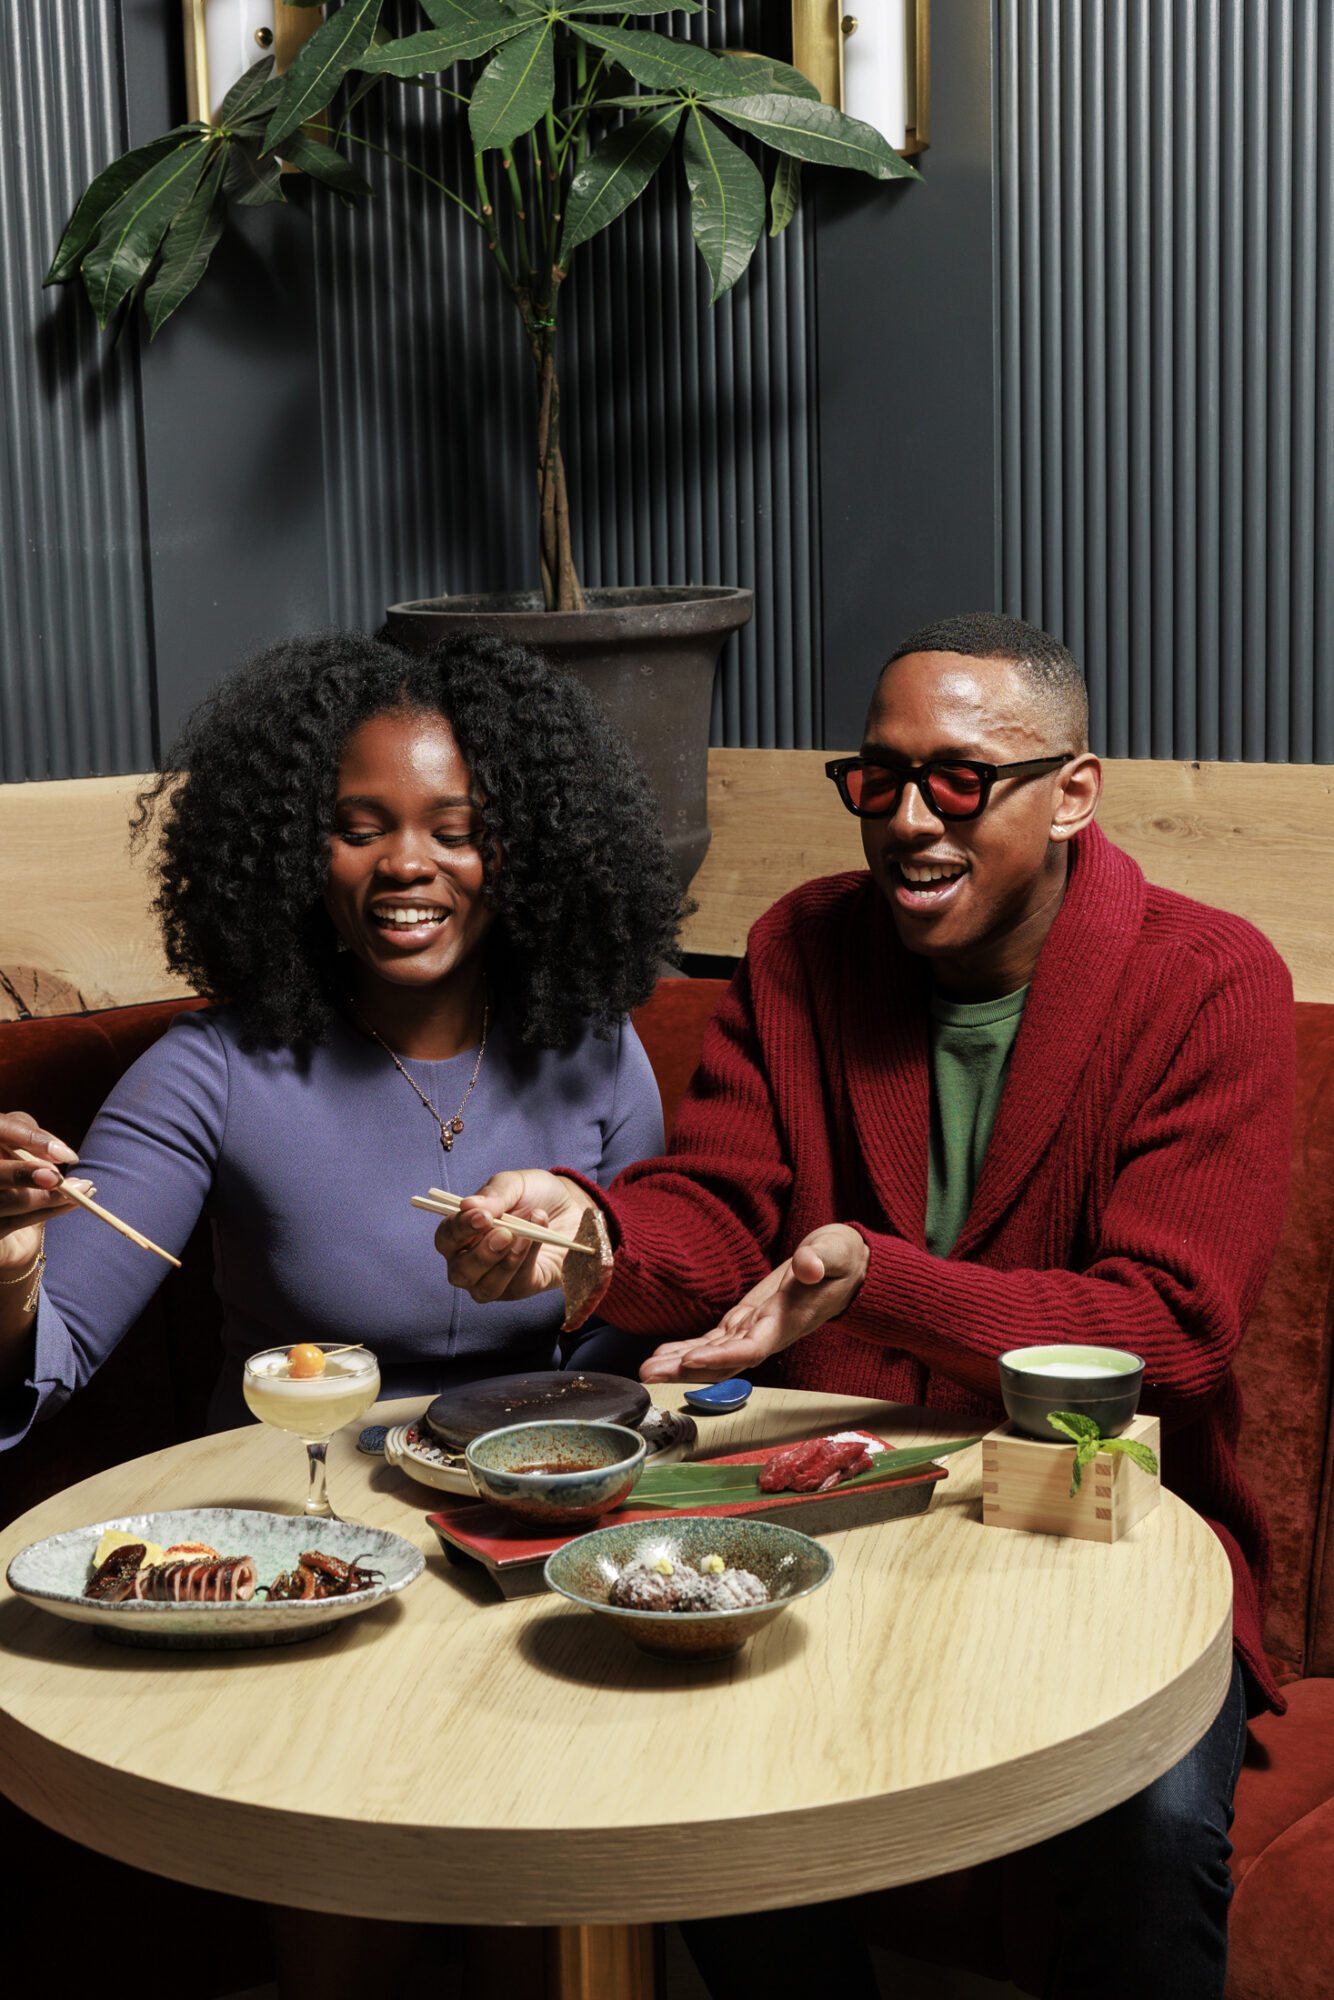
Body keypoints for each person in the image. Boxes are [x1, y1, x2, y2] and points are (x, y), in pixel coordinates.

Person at [432, 612, 1296, 2000]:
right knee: (688, 1774)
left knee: (1153, 1824)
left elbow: (1169, 1326)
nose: (904, 818)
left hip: (1112, 1550)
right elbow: (719, 1205)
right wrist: (591, 1235)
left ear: (1072, 792)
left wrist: (875, 1277)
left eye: (957, 779)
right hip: (843, 1518)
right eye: (877, 777)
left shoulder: (1207, 984)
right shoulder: (802, 947)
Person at [0, 628, 683, 1440]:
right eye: (359, 830)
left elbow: (647, 1332)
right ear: (295, 853)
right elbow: (44, 1367)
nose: (404, 864)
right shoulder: (208, 1072)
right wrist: (12, 1271)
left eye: (454, 831)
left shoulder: (596, 1048)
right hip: (293, 1517)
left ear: (522, 852)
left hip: (536, 1486)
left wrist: (593, 1274)